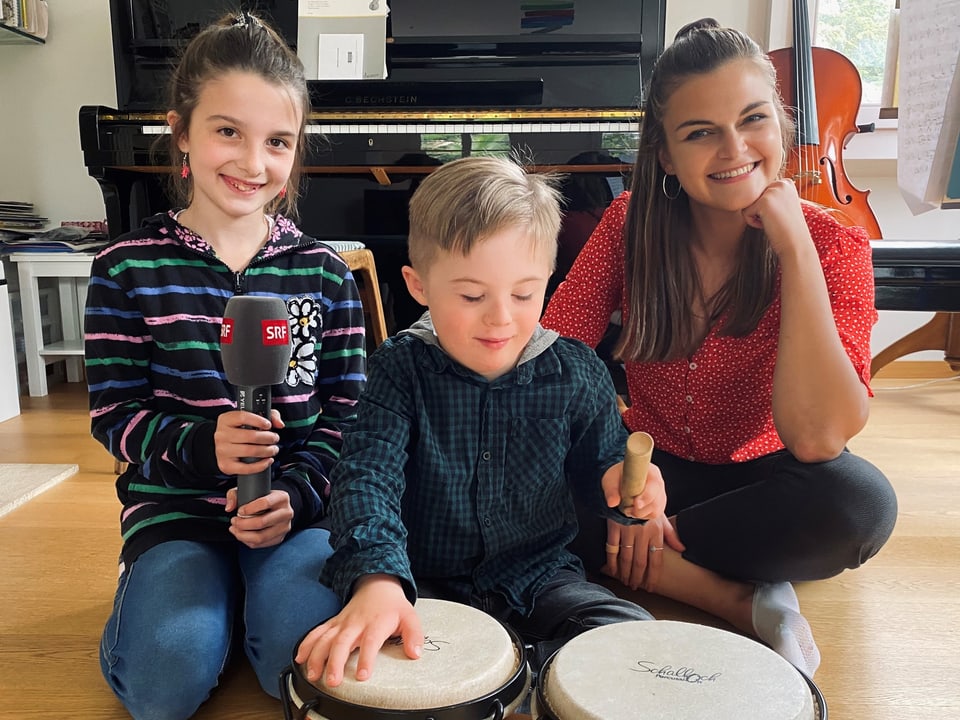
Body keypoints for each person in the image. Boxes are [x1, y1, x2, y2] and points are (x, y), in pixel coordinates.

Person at [541, 18, 898, 679]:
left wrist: (794, 249)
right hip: (643, 466)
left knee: (860, 506)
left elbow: (819, 439)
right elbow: (555, 359)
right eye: (700, 132)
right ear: (667, 156)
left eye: (752, 119)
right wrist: (625, 483)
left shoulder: (835, 245)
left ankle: (650, 560)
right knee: (505, 474)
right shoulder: (628, 227)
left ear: (781, 127)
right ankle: (733, 595)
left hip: (761, 476)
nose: (734, 148)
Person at [84, 13, 366, 720]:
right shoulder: (126, 269)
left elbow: (348, 414)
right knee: (164, 684)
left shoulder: (324, 275)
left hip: (293, 513)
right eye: (227, 131)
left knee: (302, 672)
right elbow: (114, 416)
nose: (253, 162)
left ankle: (252, 593)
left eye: (278, 141)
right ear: (181, 131)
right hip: (177, 513)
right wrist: (199, 445)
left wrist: (298, 496)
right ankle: (182, 591)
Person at [294, 156, 659, 692]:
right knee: (364, 669)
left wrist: (627, 494)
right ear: (418, 285)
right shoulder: (399, 368)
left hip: (540, 578)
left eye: (524, 293)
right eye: (471, 296)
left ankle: (528, 676)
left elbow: (603, 469)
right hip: (423, 582)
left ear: (548, 280)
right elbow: (366, 479)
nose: (501, 318)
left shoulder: (577, 370)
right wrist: (377, 579)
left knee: (629, 639)